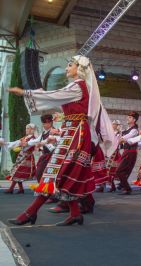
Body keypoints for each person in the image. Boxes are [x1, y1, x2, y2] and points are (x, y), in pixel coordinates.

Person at [7, 55, 116, 226]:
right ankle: (74, 213)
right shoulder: (79, 87)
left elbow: (53, 96)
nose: (66, 68)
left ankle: (30, 213)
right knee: (62, 173)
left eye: (70, 65)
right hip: (72, 132)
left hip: (76, 133)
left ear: (79, 69)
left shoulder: (78, 86)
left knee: (56, 171)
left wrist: (25, 92)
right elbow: (60, 101)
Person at [0, 124, 37, 194]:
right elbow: (16, 143)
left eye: (28, 128)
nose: (27, 130)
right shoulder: (25, 137)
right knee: (18, 172)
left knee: (17, 172)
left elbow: (27, 146)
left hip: (27, 157)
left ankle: (11, 189)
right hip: (21, 156)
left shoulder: (33, 138)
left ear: (32, 130)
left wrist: (21, 145)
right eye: (26, 128)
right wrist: (4, 143)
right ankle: (21, 189)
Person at [115, 112, 140, 195]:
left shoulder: (134, 130)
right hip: (127, 151)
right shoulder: (128, 129)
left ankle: (127, 188)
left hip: (131, 152)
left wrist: (119, 138)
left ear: (134, 120)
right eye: (128, 117)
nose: (127, 118)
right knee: (123, 171)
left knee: (119, 171)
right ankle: (123, 185)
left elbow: (123, 139)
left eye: (129, 117)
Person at [106, 120, 122, 192]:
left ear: (117, 125)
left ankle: (117, 186)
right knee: (108, 170)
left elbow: (117, 143)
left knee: (112, 170)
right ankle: (112, 186)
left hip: (114, 153)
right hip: (109, 152)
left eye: (114, 124)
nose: (112, 125)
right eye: (112, 124)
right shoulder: (110, 133)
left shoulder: (119, 133)